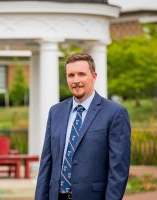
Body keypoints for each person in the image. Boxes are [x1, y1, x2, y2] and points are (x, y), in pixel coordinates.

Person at [35, 52, 131, 200]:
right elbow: (46, 163)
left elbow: (118, 170)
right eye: (71, 75)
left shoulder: (115, 113)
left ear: (94, 76)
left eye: (81, 74)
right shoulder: (55, 112)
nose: (76, 80)